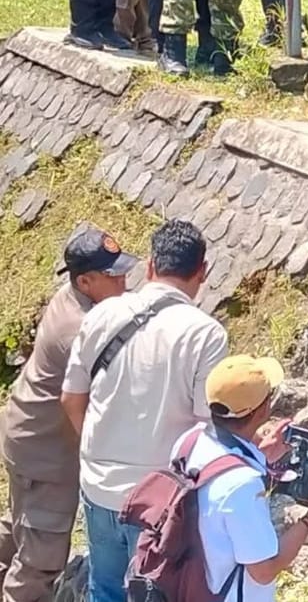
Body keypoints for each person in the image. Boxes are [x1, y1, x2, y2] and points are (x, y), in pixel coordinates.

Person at [60, 220, 228, 602]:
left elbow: (71, 399)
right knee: (156, 593)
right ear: (202, 273)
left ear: (150, 265)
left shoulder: (102, 314)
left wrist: (96, 454)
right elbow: (208, 426)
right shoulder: (206, 334)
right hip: (158, 501)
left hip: (98, 487)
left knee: (104, 589)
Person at [0, 227, 131, 602]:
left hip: (28, 436)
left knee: (20, 527)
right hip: (46, 453)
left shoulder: (74, 298)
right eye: (113, 276)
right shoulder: (81, 331)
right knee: (41, 558)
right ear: (86, 281)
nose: (124, 281)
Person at [175, 355, 308, 602]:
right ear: (263, 409)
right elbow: (264, 571)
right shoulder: (242, 484)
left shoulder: (189, 441)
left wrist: (259, 457)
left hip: (189, 587)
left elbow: (214, 498)